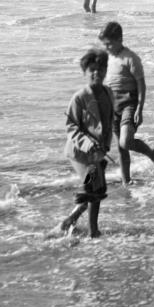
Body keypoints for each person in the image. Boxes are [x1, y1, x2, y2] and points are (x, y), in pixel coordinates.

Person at [57, 48, 115, 238]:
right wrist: (89, 144)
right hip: (79, 152)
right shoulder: (79, 98)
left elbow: (108, 122)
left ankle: (69, 221)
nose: (96, 73)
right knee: (94, 188)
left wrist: (105, 145)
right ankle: (93, 232)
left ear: (106, 70)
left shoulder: (108, 93)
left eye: (100, 69)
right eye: (92, 70)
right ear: (85, 72)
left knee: (94, 190)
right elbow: (71, 127)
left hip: (98, 153)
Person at [99, 21, 154, 183]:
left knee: (126, 141)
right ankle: (126, 182)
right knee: (122, 148)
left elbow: (141, 85)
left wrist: (139, 109)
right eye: (104, 44)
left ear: (120, 39)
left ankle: (153, 155)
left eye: (109, 44)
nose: (106, 47)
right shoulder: (108, 58)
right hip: (112, 105)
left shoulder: (131, 58)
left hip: (129, 103)